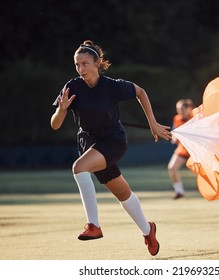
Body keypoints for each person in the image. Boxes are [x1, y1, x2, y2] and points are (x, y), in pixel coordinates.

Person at [50, 39, 172, 256]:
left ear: (97, 63)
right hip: (88, 144)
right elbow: (55, 125)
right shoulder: (72, 87)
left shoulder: (112, 86)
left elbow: (140, 92)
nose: (81, 69)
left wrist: (153, 123)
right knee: (122, 193)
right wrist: (61, 110)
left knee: (79, 168)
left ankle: (93, 226)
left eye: (85, 63)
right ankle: (148, 230)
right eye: (77, 65)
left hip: (113, 141)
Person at [167, 99, 195, 199]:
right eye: (178, 109)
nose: (180, 111)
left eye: (182, 109)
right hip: (183, 148)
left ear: (188, 109)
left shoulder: (194, 118)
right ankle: (179, 192)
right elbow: (175, 132)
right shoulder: (177, 118)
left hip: (195, 150)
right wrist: (174, 137)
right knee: (172, 167)